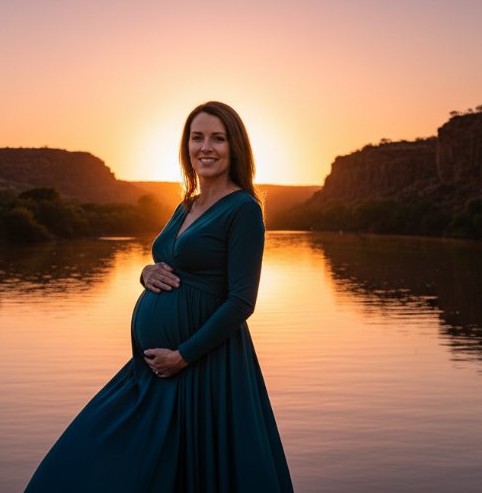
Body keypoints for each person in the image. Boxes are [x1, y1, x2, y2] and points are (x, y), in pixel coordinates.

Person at [23, 101, 293, 492]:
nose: (206, 147)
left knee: (193, 472)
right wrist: (145, 272)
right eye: (197, 137)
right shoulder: (187, 205)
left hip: (203, 366)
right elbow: (169, 261)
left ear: (235, 147)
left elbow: (241, 301)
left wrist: (183, 355)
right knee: (83, 458)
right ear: (186, 146)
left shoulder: (244, 209)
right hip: (152, 368)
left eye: (218, 138)